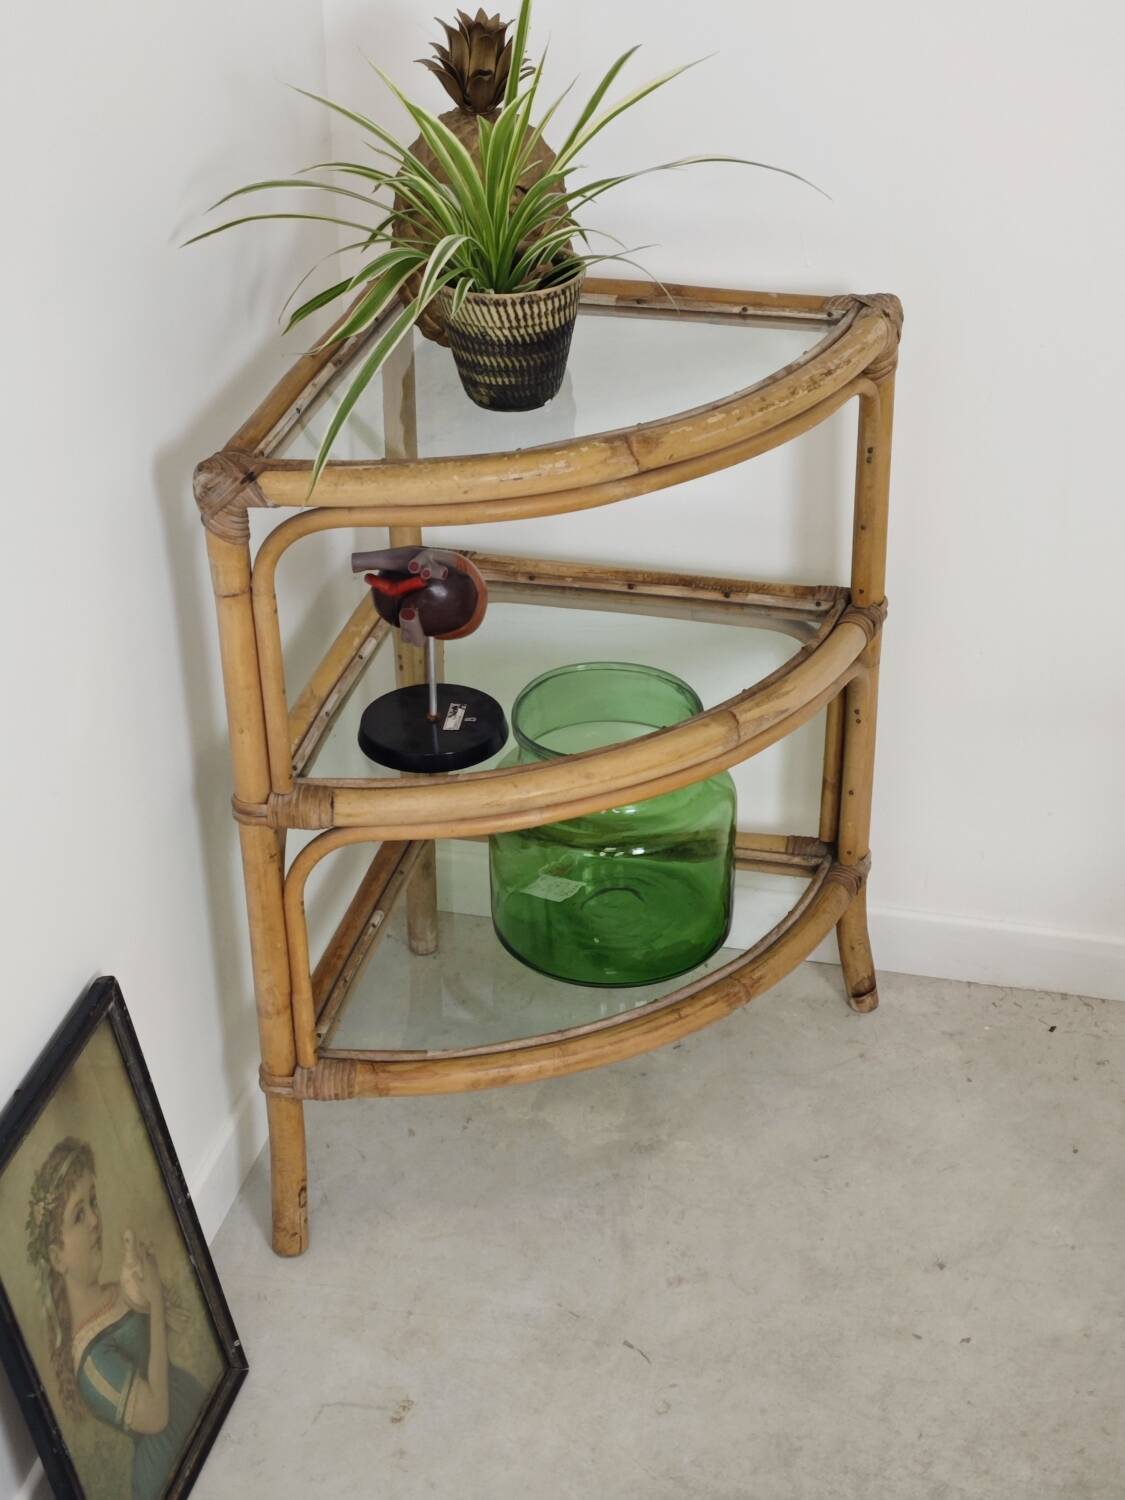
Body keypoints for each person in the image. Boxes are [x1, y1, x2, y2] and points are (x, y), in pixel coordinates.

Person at [25, 1136, 207, 1500]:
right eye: (79, 1215)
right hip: (165, 1467)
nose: (95, 1220)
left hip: (195, 1413)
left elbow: (166, 1334)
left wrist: (152, 1297)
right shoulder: (90, 1362)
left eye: (93, 1202)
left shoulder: (113, 1290)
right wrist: (153, 1301)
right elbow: (155, 1416)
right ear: (57, 1256)